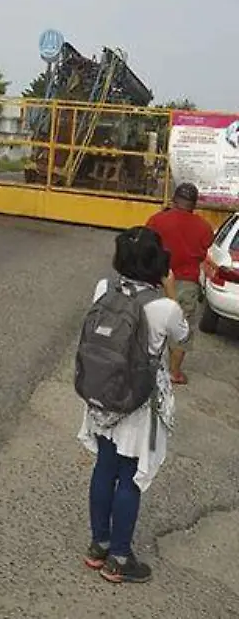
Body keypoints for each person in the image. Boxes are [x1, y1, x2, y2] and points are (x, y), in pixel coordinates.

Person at [77, 226, 188, 584]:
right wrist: (171, 290)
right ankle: (120, 559)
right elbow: (184, 338)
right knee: (129, 477)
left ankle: (99, 545)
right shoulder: (164, 308)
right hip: (137, 404)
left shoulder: (103, 288)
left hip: (103, 394)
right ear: (159, 263)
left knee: (104, 467)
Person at [145, 182, 214, 384]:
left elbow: (148, 245)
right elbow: (208, 246)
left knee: (152, 323)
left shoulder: (157, 220)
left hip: (158, 279)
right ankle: (174, 373)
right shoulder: (203, 226)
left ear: (174, 200)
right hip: (187, 283)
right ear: (194, 204)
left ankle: (146, 365)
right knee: (181, 328)